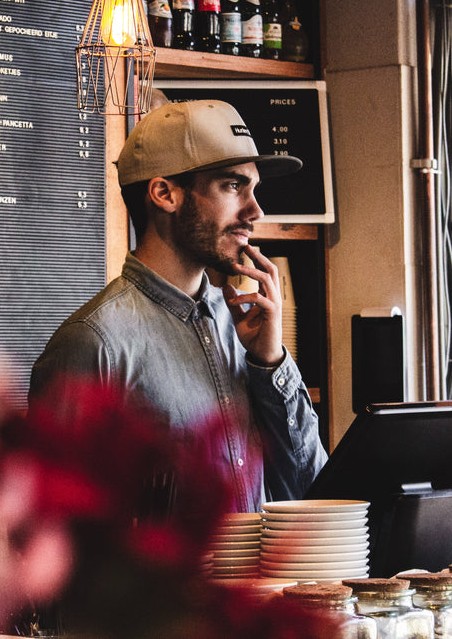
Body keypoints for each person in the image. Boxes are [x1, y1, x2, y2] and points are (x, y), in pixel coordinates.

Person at [29, 98, 327, 513]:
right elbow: (60, 533)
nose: (255, 210)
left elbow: (311, 491)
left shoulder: (248, 331)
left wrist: (270, 362)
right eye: (232, 186)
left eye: (254, 189)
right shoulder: (93, 343)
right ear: (164, 193)